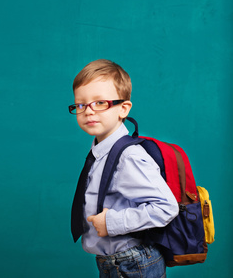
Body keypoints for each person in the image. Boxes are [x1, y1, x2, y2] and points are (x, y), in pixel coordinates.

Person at [69, 59, 179, 277]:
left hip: (133, 263)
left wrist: (111, 222)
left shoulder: (128, 157)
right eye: (81, 104)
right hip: (116, 262)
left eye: (100, 103)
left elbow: (167, 208)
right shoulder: (100, 152)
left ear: (123, 109)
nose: (88, 111)